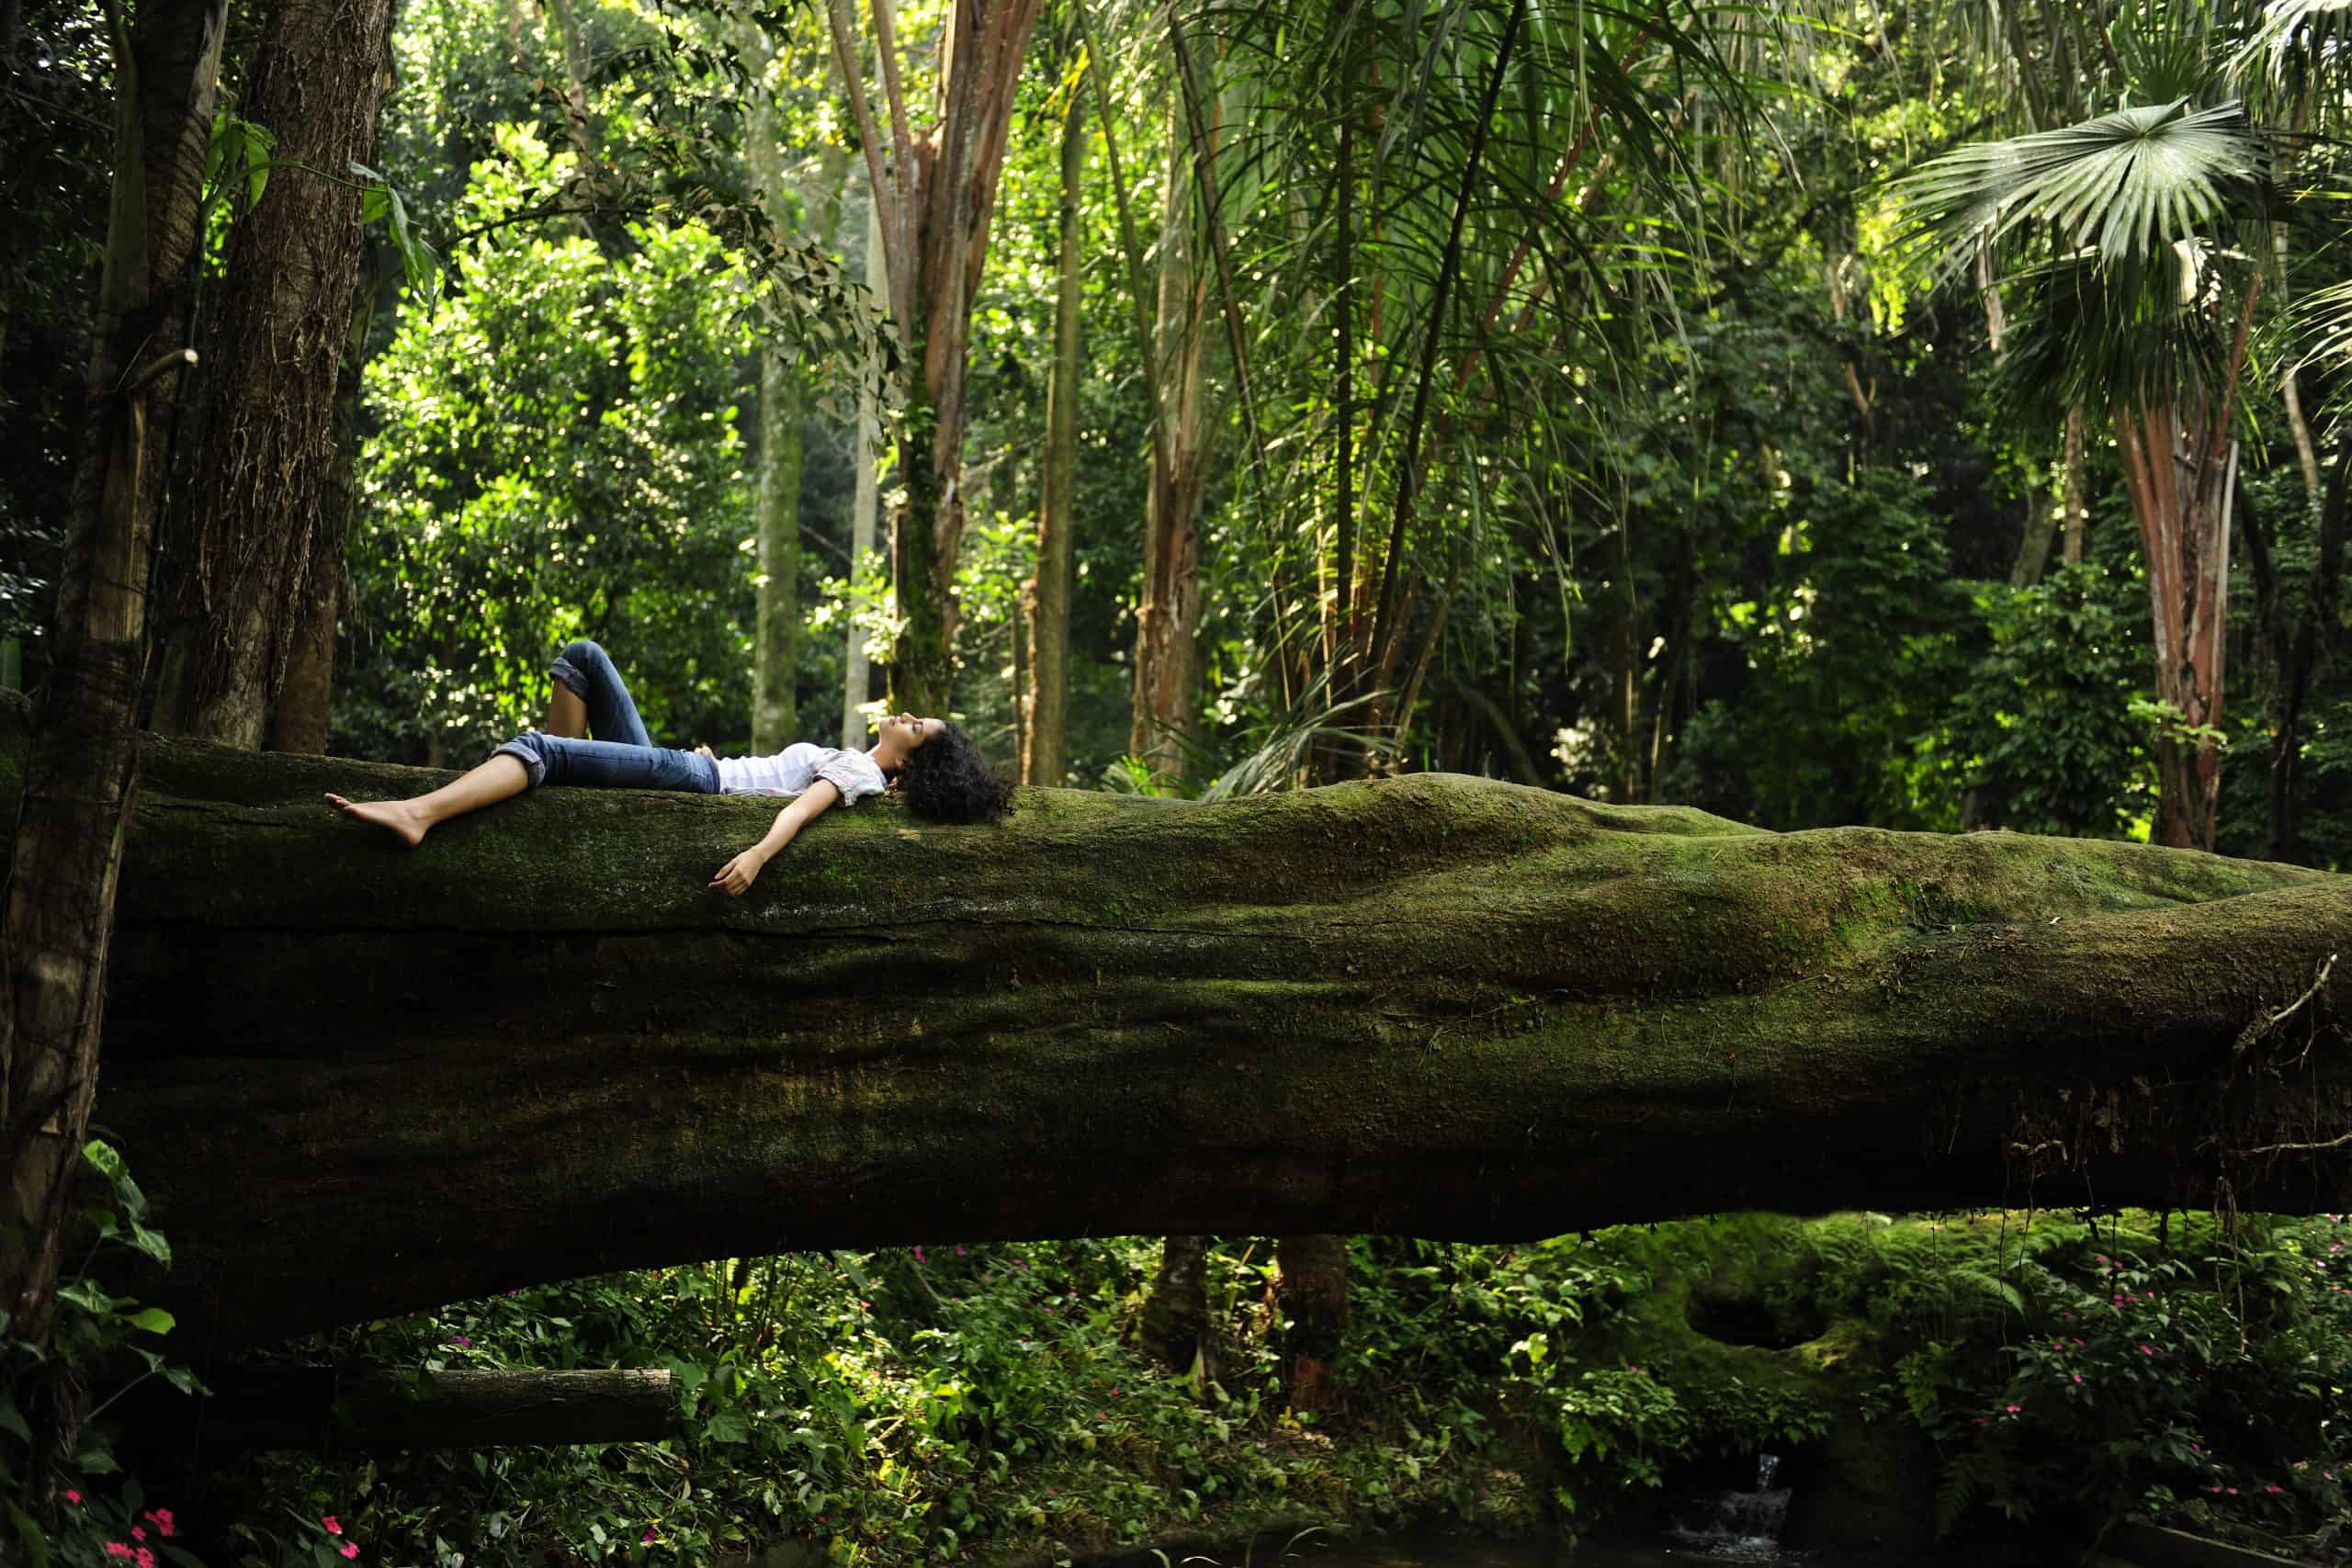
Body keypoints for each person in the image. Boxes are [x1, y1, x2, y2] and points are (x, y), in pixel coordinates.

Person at [326, 638, 1010, 896]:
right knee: (585, 659)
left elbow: (801, 808)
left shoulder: (861, 775)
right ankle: (557, 794)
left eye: (916, 726)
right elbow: (773, 777)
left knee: (544, 745)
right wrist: (727, 765)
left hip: (694, 782)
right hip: (703, 771)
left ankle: (420, 814)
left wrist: (757, 856)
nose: (905, 715)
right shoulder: (858, 758)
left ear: (912, 758)